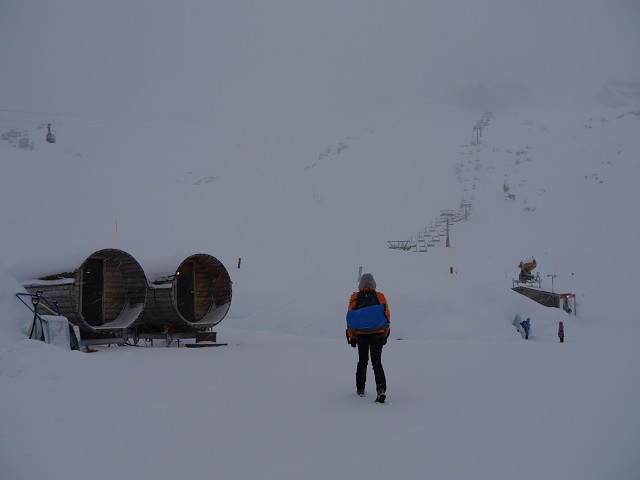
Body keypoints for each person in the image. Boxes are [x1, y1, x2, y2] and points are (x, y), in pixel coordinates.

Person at [346, 273, 390, 403]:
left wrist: (352, 337)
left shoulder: (355, 297)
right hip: (377, 333)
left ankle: (360, 389)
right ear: (373, 283)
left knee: (362, 361)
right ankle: (381, 389)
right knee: (377, 362)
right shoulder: (380, 296)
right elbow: (386, 316)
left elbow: (351, 318)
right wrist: (385, 334)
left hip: (361, 334)